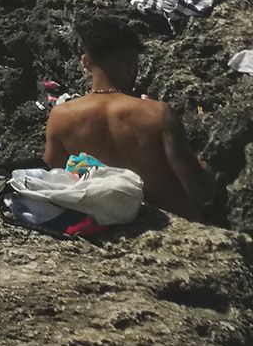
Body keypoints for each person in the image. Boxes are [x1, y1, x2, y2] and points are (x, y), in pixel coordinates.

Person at [42, 15, 211, 222]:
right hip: (174, 223)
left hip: (110, 225)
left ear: (86, 63)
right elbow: (200, 190)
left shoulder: (61, 116)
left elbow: (52, 180)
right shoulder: (157, 113)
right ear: (132, 64)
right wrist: (205, 169)